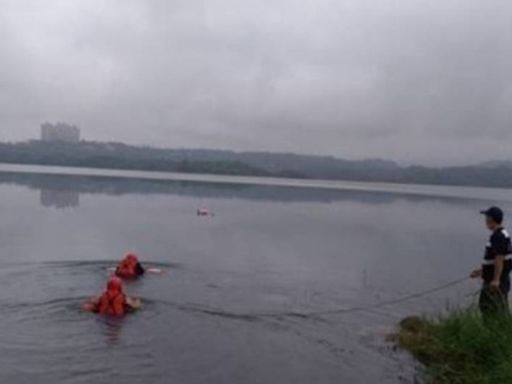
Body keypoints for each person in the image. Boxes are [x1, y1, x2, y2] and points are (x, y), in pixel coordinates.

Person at [470, 206, 512, 321]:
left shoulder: (498, 236)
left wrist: (496, 280)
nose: (485, 220)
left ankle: (494, 334)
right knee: (497, 308)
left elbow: (500, 258)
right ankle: (500, 333)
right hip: (500, 279)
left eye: (487, 217)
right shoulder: (503, 234)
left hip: (496, 282)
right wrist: (480, 271)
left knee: (489, 308)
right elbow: (495, 261)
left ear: (491, 219)